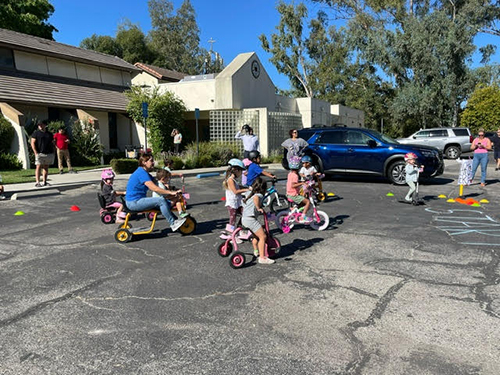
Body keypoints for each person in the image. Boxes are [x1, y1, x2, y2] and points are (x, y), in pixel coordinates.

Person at [125, 153, 186, 232]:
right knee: (160, 200)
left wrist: (173, 189)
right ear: (144, 162)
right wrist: (171, 193)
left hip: (136, 201)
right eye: (151, 161)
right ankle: (173, 223)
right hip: (134, 203)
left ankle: (175, 220)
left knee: (163, 200)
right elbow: (155, 188)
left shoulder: (145, 173)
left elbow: (158, 183)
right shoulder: (141, 173)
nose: (153, 162)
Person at [242, 177, 275, 265]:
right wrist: (258, 207)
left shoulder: (250, 193)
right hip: (250, 219)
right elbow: (256, 198)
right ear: (263, 188)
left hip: (245, 219)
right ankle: (262, 258)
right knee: (263, 236)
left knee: (256, 236)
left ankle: (256, 251)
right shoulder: (259, 195)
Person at [222, 159, 249, 233]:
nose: (241, 173)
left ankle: (240, 230)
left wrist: (246, 187)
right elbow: (235, 191)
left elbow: (238, 187)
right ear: (236, 170)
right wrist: (246, 190)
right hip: (232, 204)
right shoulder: (230, 180)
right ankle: (230, 234)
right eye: (241, 171)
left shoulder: (233, 180)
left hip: (237, 203)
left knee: (245, 214)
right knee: (232, 220)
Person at [286, 156, 312, 223]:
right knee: (307, 202)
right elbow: (293, 185)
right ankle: (302, 217)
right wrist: (302, 183)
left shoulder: (290, 174)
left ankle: (295, 210)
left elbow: (293, 183)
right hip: (293, 195)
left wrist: (301, 182)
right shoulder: (295, 176)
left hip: (289, 193)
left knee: (302, 202)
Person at [30, 120, 55, 187]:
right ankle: (37, 182)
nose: (40, 126)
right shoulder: (36, 133)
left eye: (41, 125)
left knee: (46, 167)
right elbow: (32, 143)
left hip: (48, 153)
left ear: (45, 125)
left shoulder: (49, 134)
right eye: (39, 125)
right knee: (38, 166)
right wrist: (35, 152)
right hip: (39, 153)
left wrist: (53, 151)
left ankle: (45, 181)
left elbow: (53, 143)